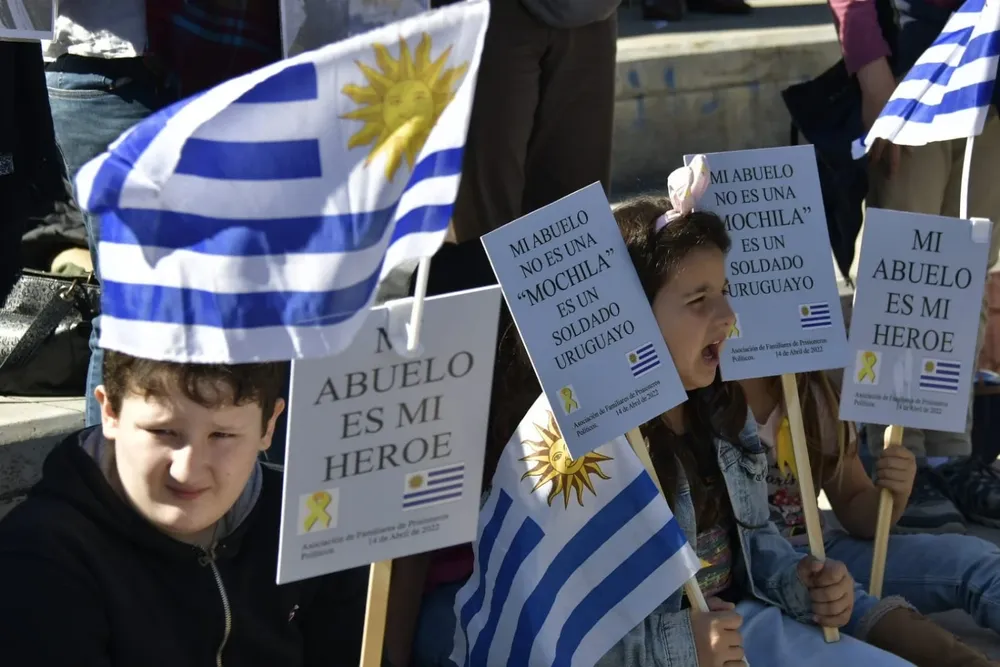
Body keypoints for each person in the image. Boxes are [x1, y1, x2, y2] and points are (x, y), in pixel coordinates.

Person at [0, 349, 369, 665]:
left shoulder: (307, 519)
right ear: (110, 412)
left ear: (268, 425)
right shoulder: (41, 556)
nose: (188, 470)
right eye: (163, 432)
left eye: (222, 435)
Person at [835, 0, 1000, 532]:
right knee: (906, 263)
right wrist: (870, 68)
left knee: (967, 267)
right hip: (916, 64)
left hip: (992, 72)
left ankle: (948, 455)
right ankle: (893, 448)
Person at [741, 370, 1000, 642]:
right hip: (744, 576)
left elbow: (856, 507)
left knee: (976, 561)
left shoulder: (812, 394)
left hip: (822, 557)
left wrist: (893, 494)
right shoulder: (702, 397)